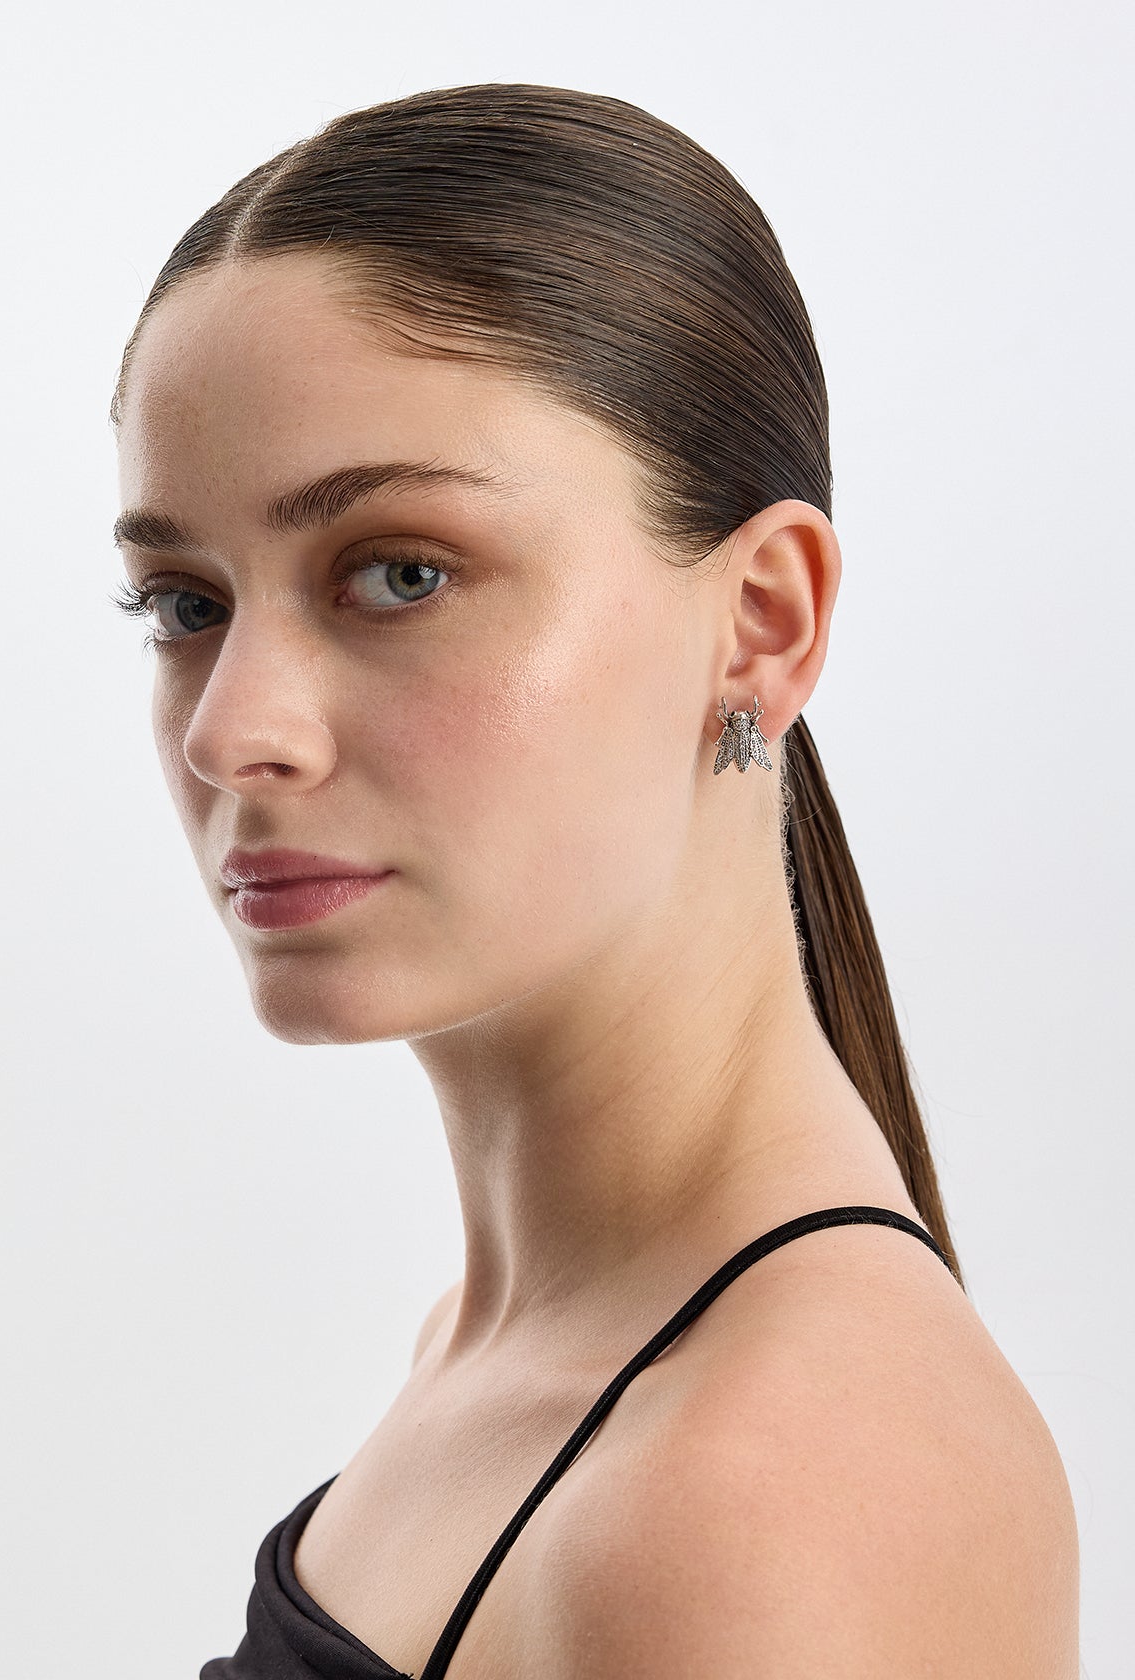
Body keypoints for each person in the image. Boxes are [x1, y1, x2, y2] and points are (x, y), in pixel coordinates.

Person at [109, 83, 1079, 1680]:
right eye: (183, 603)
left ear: (761, 621)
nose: (233, 732)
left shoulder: (770, 1496)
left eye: (400, 573)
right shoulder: (504, 1354)